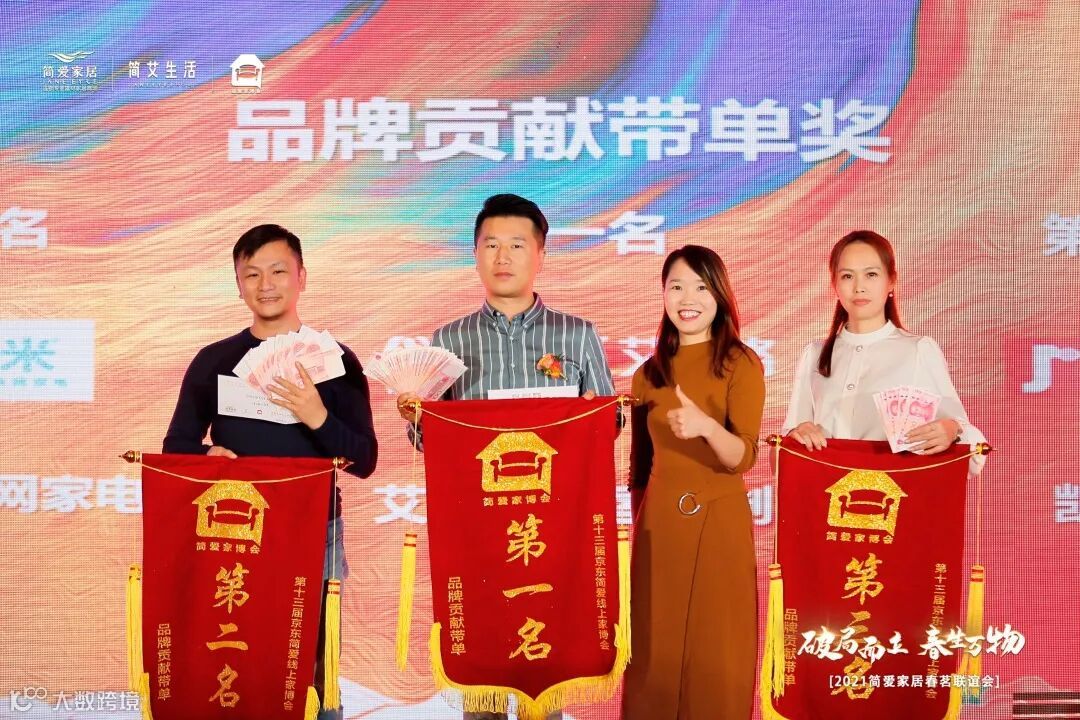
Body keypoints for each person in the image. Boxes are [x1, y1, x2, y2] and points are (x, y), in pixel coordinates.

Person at [397, 193, 616, 720]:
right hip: (478, 534)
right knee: (484, 677)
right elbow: (431, 442)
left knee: (546, 669)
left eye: (517, 245)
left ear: (540, 254)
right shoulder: (449, 340)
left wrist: (591, 416)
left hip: (554, 531)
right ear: (475, 254)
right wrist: (417, 419)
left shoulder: (576, 335)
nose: (503, 257)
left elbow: (610, 424)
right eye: (491, 244)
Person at [163, 223, 378, 720]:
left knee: (313, 671)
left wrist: (316, 415)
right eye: (252, 274)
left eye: (278, 271)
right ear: (238, 284)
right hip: (233, 536)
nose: (266, 285)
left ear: (302, 277)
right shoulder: (214, 361)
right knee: (233, 656)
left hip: (315, 534)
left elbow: (364, 461)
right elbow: (176, 446)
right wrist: (206, 458)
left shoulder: (336, 362)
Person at [622, 245, 765, 719]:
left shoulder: (741, 363)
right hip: (658, 527)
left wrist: (706, 427)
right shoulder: (648, 375)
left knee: (716, 647)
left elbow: (743, 457)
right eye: (677, 287)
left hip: (720, 522)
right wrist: (641, 526)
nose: (688, 299)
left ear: (720, 295)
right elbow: (638, 468)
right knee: (653, 651)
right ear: (663, 294)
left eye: (701, 287)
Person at [783, 230, 985, 475]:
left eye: (871, 274)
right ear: (834, 285)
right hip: (826, 492)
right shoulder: (814, 355)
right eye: (847, 276)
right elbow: (781, 457)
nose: (859, 287)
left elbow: (972, 452)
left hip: (894, 492)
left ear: (891, 281)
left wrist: (952, 430)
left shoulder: (918, 350)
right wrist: (796, 436)